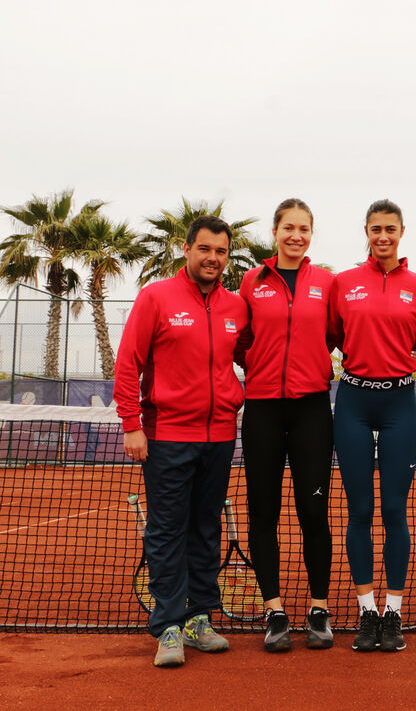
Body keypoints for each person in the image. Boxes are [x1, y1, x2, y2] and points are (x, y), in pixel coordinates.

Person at [113, 216, 249, 667]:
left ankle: (198, 618)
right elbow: (127, 361)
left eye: (222, 252)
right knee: (167, 531)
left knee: (206, 529)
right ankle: (168, 626)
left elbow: (257, 354)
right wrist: (132, 423)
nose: (213, 258)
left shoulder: (235, 306)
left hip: (220, 436)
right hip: (167, 436)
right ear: (187, 249)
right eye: (205, 249)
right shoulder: (156, 297)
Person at [330, 198, 416, 653]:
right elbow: (333, 336)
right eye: (375, 229)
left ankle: (393, 612)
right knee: (358, 512)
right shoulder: (344, 283)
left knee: (394, 510)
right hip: (352, 401)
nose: (383, 237)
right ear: (366, 232)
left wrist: (414, 357)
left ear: (402, 231)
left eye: (390, 229)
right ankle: (366, 612)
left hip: (398, 404)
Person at [237, 198, 337, 652]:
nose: (296, 236)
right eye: (288, 228)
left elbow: (341, 334)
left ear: (311, 234)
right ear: (275, 232)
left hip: (312, 409)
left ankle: (319, 609)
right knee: (264, 514)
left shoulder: (327, 283)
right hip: (261, 409)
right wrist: (259, 365)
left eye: (304, 229)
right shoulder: (250, 283)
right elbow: (239, 341)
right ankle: (274, 611)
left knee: (314, 512)